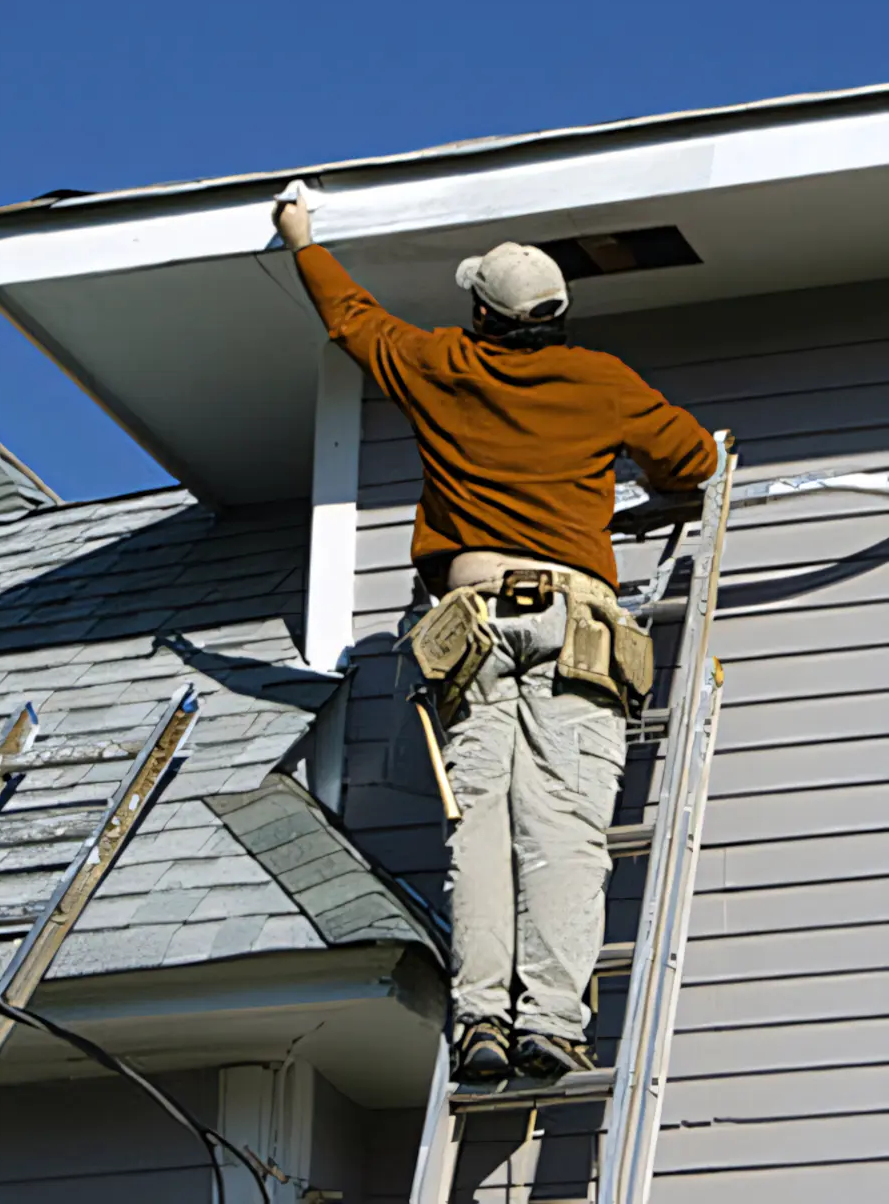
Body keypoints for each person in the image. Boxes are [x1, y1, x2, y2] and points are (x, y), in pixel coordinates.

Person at [273, 187, 719, 1084]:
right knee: (564, 825)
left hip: (469, 624)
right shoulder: (601, 380)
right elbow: (697, 461)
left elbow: (351, 320)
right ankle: (549, 1021)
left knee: (479, 827)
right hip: (575, 621)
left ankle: (480, 1017)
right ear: (555, 316)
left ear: (481, 312)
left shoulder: (439, 363)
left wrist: (299, 235)